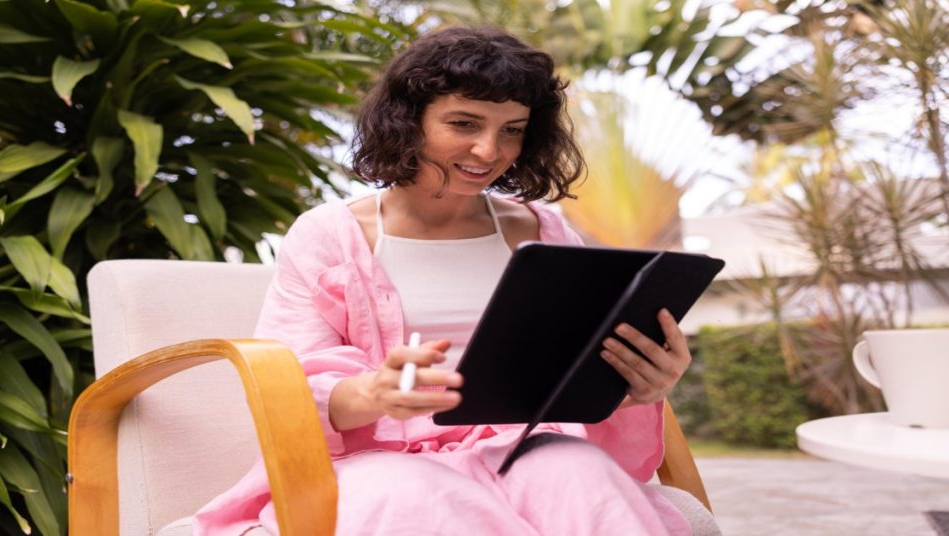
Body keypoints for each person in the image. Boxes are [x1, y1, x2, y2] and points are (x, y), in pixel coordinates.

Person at [193, 26, 694, 535]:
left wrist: (634, 382)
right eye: (463, 123)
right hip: (379, 460)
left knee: (578, 475)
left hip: (521, 447)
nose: (488, 150)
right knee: (421, 502)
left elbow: (570, 366)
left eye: (512, 130)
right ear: (407, 122)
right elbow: (288, 391)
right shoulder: (331, 234)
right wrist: (372, 393)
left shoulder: (543, 228)